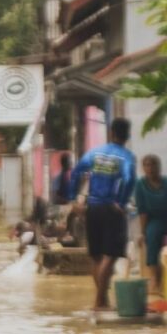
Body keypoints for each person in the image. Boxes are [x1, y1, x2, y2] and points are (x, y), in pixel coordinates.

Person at [70, 117, 137, 310]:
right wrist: (121, 201)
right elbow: (129, 179)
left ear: (111, 133)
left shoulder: (95, 153)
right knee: (111, 255)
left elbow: (76, 173)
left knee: (98, 257)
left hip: (92, 208)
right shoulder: (126, 156)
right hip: (111, 209)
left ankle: (103, 301)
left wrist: (74, 199)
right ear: (127, 135)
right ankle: (99, 301)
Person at [136, 153, 167, 294]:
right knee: (152, 236)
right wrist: (142, 233)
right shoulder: (140, 185)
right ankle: (154, 279)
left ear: (158, 167)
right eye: (147, 165)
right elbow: (142, 211)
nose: (150, 168)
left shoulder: (165, 182)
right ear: (143, 168)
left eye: (153, 164)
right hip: (154, 220)